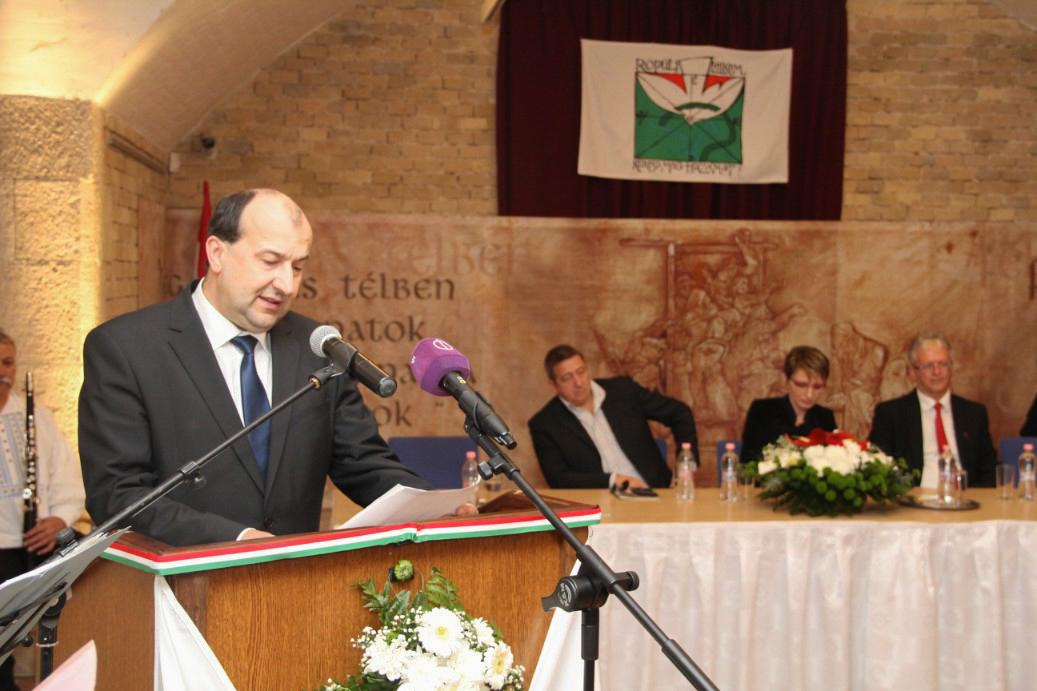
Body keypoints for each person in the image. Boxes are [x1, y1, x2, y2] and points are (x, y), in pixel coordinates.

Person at [79, 189, 471, 548]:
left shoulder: (317, 347)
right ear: (216, 253)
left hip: (291, 588)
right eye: (270, 262)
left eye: (297, 267)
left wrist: (434, 509)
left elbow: (363, 464)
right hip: (180, 587)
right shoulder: (126, 349)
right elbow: (118, 496)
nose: (286, 284)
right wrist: (237, 539)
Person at [0, 329, 85, 691]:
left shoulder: (38, 416)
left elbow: (69, 481)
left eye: (7, 362)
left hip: (37, 544)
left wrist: (57, 519)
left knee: (67, 617)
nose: (3, 372)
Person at [528, 344, 698, 489]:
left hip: (655, 492)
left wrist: (686, 465)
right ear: (553, 384)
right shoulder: (544, 424)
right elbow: (558, 479)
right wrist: (611, 480)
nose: (578, 383)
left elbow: (679, 412)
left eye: (581, 372)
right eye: (567, 378)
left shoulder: (623, 391)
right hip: (600, 505)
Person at [868, 333, 996, 488]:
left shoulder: (974, 414)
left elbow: (989, 470)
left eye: (943, 364)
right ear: (912, 372)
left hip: (965, 497)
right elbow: (878, 469)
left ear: (951, 368)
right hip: (915, 498)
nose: (937, 372)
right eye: (928, 366)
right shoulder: (891, 414)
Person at [740, 345, 837, 463]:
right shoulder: (762, 411)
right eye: (802, 385)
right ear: (785, 379)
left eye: (817, 387)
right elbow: (748, 460)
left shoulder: (825, 417)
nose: (809, 395)